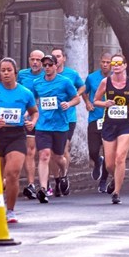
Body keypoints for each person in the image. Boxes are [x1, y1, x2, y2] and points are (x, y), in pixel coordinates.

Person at [0, 57, 39, 223]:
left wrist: (32, 122)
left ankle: (10, 210)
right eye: (3, 70)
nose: (5, 73)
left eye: (9, 70)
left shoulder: (25, 93)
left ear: (15, 73)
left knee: (13, 173)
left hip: (17, 135)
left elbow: (34, 111)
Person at [93, 54, 129, 204]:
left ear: (125, 65)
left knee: (120, 157)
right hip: (109, 124)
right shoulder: (105, 82)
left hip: (127, 124)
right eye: (113, 63)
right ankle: (115, 179)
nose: (115, 66)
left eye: (118, 63)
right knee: (109, 163)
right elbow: (95, 100)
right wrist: (105, 104)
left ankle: (116, 192)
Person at [32, 54, 80, 201]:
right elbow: (32, 100)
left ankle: (64, 174)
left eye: (49, 64)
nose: (47, 67)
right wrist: (31, 113)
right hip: (43, 125)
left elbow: (76, 98)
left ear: (55, 65)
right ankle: (43, 188)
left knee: (59, 157)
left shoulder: (64, 82)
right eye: (44, 65)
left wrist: (69, 104)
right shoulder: (37, 83)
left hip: (60, 125)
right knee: (44, 155)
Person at [50, 47, 86, 193]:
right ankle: (57, 181)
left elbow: (82, 86)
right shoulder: (46, 75)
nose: (56, 59)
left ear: (64, 58)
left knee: (63, 148)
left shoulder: (71, 74)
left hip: (68, 118)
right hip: (50, 119)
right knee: (52, 152)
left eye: (58, 56)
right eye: (53, 57)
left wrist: (75, 95)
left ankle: (64, 176)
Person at [16, 49, 45, 199]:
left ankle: (48, 183)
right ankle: (31, 184)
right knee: (30, 150)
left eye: (38, 60)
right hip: (27, 117)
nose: (35, 62)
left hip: (46, 118)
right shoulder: (22, 74)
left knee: (46, 153)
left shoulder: (47, 75)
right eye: (32, 59)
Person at [84, 52, 113, 193]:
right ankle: (97, 161)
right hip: (95, 118)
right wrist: (87, 102)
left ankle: (103, 181)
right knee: (93, 150)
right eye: (103, 62)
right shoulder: (92, 78)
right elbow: (84, 90)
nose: (105, 65)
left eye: (108, 62)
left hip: (111, 120)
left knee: (109, 153)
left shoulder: (117, 79)